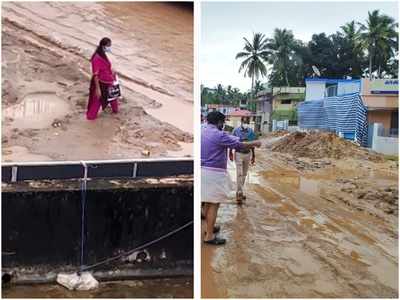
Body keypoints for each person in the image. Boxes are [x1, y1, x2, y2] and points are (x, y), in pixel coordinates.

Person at [201, 111, 261, 245]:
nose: (223, 125)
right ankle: (209, 236)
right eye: (222, 122)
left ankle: (208, 227)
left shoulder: (201, 129)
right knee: (214, 203)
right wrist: (255, 143)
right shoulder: (219, 135)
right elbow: (240, 145)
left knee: (207, 202)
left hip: (202, 171)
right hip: (213, 174)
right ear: (219, 122)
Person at [87, 37, 119, 120]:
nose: (110, 47)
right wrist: (98, 89)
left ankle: (115, 111)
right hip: (102, 83)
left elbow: (106, 67)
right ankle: (91, 117)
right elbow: (95, 75)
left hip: (109, 80)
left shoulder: (103, 55)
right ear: (103, 46)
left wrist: (112, 72)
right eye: (109, 46)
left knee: (113, 97)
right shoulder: (97, 58)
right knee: (97, 100)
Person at [229, 117, 256, 203]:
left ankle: (240, 191)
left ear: (249, 122)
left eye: (247, 122)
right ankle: (239, 192)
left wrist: (253, 156)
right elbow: (232, 142)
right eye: (244, 121)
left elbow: (253, 144)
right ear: (241, 122)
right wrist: (230, 152)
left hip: (247, 154)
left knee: (244, 174)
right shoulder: (236, 131)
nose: (245, 123)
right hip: (238, 153)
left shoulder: (251, 132)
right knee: (239, 173)